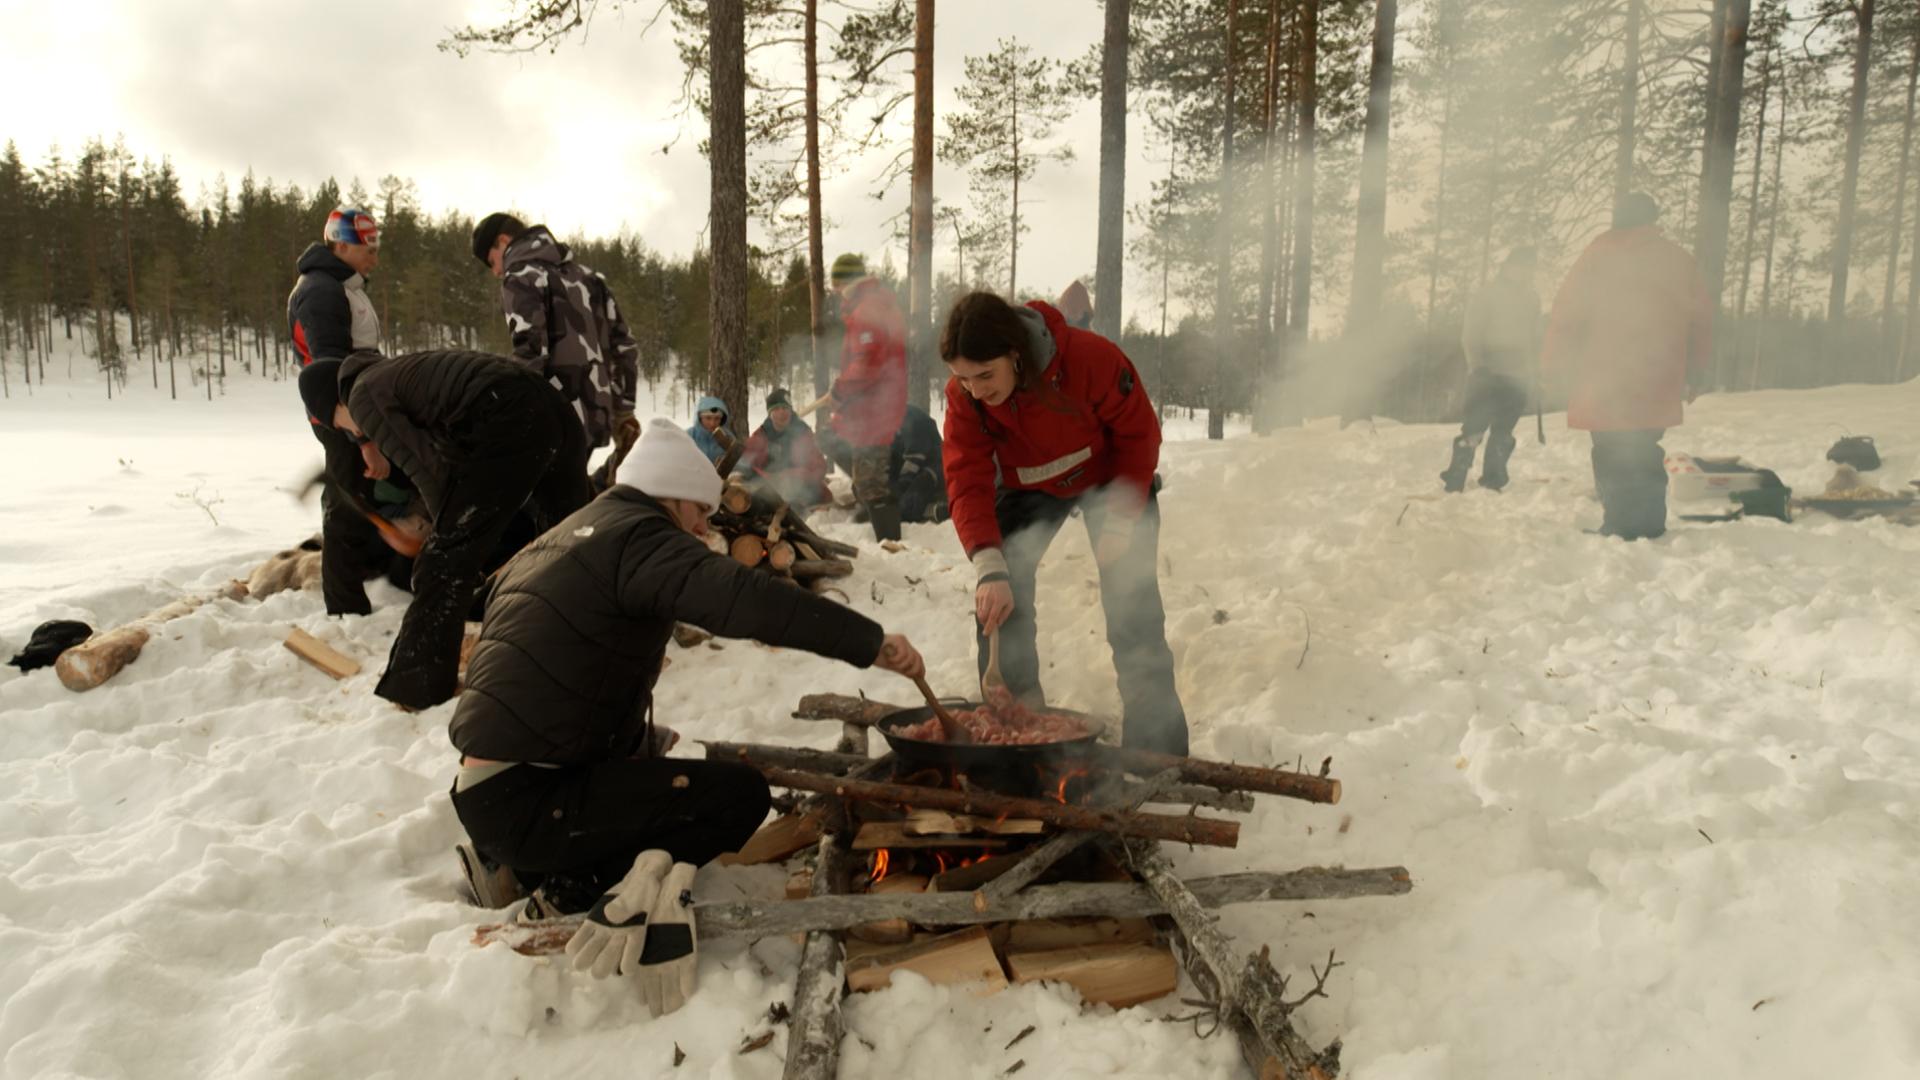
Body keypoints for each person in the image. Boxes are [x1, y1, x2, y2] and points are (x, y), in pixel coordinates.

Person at [446, 419, 927, 935]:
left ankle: (514, 865)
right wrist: (868, 642)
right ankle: (569, 890)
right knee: (736, 798)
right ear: (672, 498)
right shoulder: (641, 538)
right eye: (700, 511)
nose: (702, 528)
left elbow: (552, 664)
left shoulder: (566, 537)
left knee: (659, 771)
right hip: (533, 801)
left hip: (489, 790)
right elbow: (745, 599)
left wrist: (629, 739)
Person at [938, 291, 1188, 757]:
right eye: (962, 378)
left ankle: (1159, 756)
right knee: (999, 607)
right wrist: (990, 568)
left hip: (1111, 477)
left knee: (1133, 614)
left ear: (1015, 352)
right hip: (1025, 489)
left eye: (985, 375)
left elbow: (1139, 435)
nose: (976, 389)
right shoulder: (966, 399)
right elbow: (965, 478)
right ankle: (1022, 743)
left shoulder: (1088, 359)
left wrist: (1119, 523)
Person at [320, 349, 592, 709]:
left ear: (339, 404)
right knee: (571, 540)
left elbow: (430, 471)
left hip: (510, 410)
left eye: (345, 429)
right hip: (554, 407)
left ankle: (416, 687)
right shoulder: (413, 375)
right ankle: (600, 638)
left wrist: (440, 532)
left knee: (443, 560)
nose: (356, 435)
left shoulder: (364, 393)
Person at [1544, 193, 1711, 540]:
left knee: (1611, 447)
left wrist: (1556, 365)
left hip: (1603, 372)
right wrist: (1695, 371)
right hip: (1658, 370)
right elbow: (1700, 320)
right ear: (1653, 219)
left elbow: (1567, 314)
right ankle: (1648, 522)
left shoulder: (1598, 254)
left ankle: (1620, 524)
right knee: (1645, 446)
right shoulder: (1676, 259)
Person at [288, 207, 407, 616]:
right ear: (340, 244)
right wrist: (362, 436)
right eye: (366, 249)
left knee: (362, 494)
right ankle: (343, 606)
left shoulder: (346, 286)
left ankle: (374, 570)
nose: (374, 257)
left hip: (361, 411)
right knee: (346, 503)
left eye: (376, 249)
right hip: (340, 415)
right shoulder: (321, 291)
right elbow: (332, 373)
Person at [471, 212, 640, 453]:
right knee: (578, 487)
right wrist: (624, 410)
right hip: (595, 416)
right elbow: (624, 347)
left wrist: (514, 418)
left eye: (492, 261)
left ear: (504, 241)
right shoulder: (590, 277)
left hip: (555, 419)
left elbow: (529, 354)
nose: (496, 271)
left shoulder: (520, 276)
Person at [1441, 247, 1540, 493]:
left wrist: (1534, 369)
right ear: (1506, 268)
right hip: (1487, 372)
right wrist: (1477, 364)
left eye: (1528, 267)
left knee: (1504, 431)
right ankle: (1456, 478)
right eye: (1518, 266)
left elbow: (1533, 336)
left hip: (1517, 374)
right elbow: (1471, 333)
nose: (1523, 272)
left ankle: (1494, 480)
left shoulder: (1532, 299)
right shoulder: (1487, 295)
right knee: (1475, 427)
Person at [826, 253, 908, 542]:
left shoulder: (868, 310)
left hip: (875, 408)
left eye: (836, 284)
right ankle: (874, 514)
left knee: (872, 483)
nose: (835, 291)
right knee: (836, 444)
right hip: (872, 404)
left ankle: (891, 542)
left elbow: (868, 362)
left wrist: (841, 389)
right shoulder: (869, 305)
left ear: (846, 282)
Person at [736, 388, 830, 509]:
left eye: (785, 408)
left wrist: (795, 476)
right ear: (770, 413)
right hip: (770, 487)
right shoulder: (762, 434)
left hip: (800, 488)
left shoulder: (802, 433)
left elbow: (819, 467)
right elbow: (746, 460)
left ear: (790, 411)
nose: (781, 413)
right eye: (776, 409)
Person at [891, 403, 947, 523]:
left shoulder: (912, 417)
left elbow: (915, 456)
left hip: (934, 468)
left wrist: (902, 485)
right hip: (912, 471)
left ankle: (937, 510)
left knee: (911, 499)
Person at [685, 395, 737, 464]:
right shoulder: (689, 435)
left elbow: (739, 463)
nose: (712, 423)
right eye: (708, 418)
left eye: (717, 418)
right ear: (700, 418)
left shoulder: (727, 436)